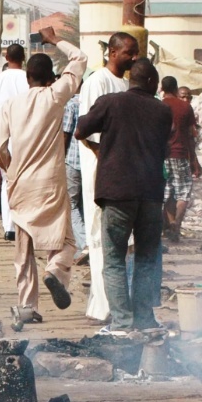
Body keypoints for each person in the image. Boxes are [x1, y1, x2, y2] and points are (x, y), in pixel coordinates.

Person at [0, 27, 86, 322]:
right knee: (66, 241)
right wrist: (55, 40)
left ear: (27, 78)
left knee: (24, 249)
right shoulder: (55, 96)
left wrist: (10, 167)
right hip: (50, 182)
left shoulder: (10, 105)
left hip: (20, 183)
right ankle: (55, 270)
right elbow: (80, 58)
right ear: (50, 78)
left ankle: (28, 307)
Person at [75, 58, 172, 334]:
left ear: (131, 79)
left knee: (114, 259)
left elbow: (80, 129)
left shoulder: (111, 102)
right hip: (151, 193)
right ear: (152, 83)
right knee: (146, 258)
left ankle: (121, 323)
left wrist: (98, 148)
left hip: (116, 192)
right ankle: (144, 318)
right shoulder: (163, 111)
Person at [78, 31, 138, 323]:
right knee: (99, 238)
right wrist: (106, 155)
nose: (134, 58)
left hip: (121, 174)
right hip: (99, 171)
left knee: (119, 243)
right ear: (112, 53)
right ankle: (103, 307)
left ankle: (113, 302)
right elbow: (86, 130)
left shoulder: (126, 84)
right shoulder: (97, 82)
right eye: (129, 52)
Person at [0, 43, 30, 240]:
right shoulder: (29, 79)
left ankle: (9, 226)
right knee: (24, 182)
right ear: (23, 57)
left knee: (5, 181)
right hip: (26, 138)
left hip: (2, 137)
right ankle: (21, 224)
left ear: (6, 58)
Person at [161, 76, 200, 242]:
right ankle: (176, 226)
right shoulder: (185, 107)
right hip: (181, 154)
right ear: (176, 89)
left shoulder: (159, 106)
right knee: (182, 193)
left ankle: (169, 226)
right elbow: (191, 135)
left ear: (162, 88)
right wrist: (194, 161)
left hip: (162, 156)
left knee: (167, 193)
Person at [62, 93, 88, 262]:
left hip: (73, 161)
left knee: (71, 204)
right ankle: (83, 246)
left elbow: (65, 134)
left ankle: (85, 244)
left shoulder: (72, 105)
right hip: (90, 161)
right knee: (84, 204)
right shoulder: (97, 103)